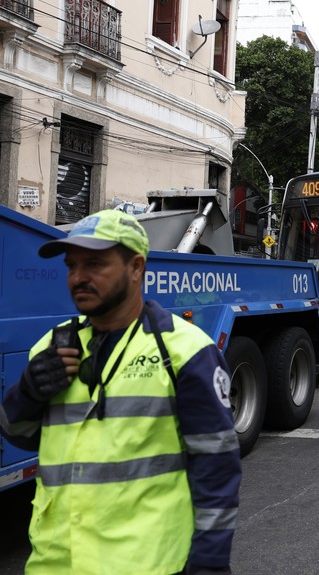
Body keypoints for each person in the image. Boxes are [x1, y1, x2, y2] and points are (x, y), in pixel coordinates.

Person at [0, 209, 241, 574]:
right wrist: (28, 393)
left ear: (136, 267)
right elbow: (18, 436)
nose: (78, 277)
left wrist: (208, 565)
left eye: (95, 264)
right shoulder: (51, 347)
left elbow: (217, 472)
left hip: (144, 564)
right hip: (54, 563)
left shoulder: (185, 352)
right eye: (72, 266)